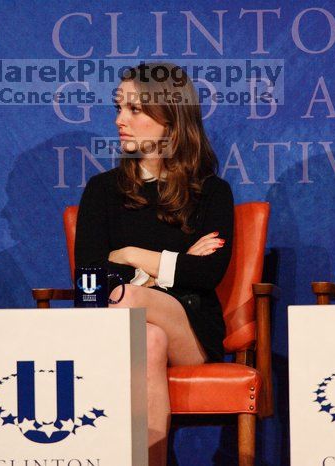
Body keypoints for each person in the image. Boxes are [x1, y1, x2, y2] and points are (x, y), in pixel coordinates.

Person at [75, 63, 233, 465]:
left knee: (125, 295)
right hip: (123, 330)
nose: (119, 121)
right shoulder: (102, 191)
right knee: (148, 338)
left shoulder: (211, 192)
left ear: (171, 119)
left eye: (134, 111)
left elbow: (208, 273)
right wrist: (173, 265)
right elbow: (89, 279)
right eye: (118, 108)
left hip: (193, 330)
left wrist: (128, 257)